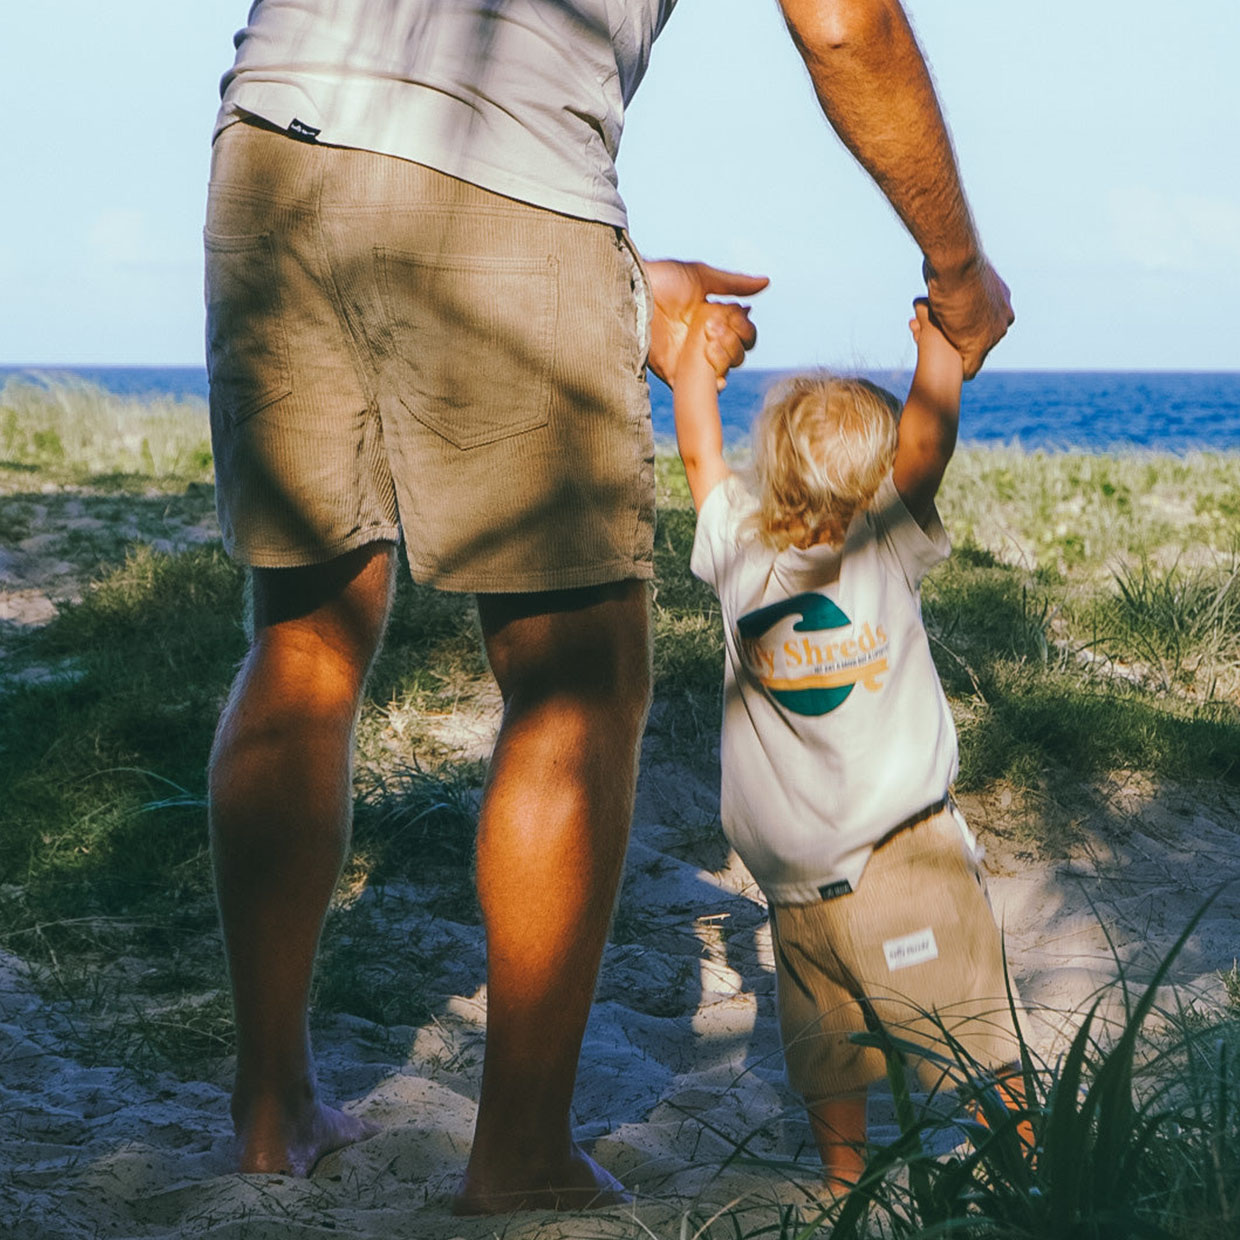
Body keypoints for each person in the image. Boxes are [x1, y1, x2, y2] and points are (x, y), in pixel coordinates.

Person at [202, 0, 1013, 1213]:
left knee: (303, 639)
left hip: (271, 134)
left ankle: (270, 1111)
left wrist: (617, 288)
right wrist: (957, 271)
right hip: (512, 166)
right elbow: (845, 25)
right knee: (572, 679)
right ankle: (519, 1150)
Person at [672, 297, 1025, 1190]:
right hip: (799, 895)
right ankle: (855, 1180)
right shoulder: (874, 539)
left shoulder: (739, 548)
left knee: (963, 1032)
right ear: (873, 483)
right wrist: (939, 349)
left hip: (889, 864)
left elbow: (698, 455)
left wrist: (692, 368)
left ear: (773, 467)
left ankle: (1018, 1164)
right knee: (836, 1047)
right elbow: (927, 447)